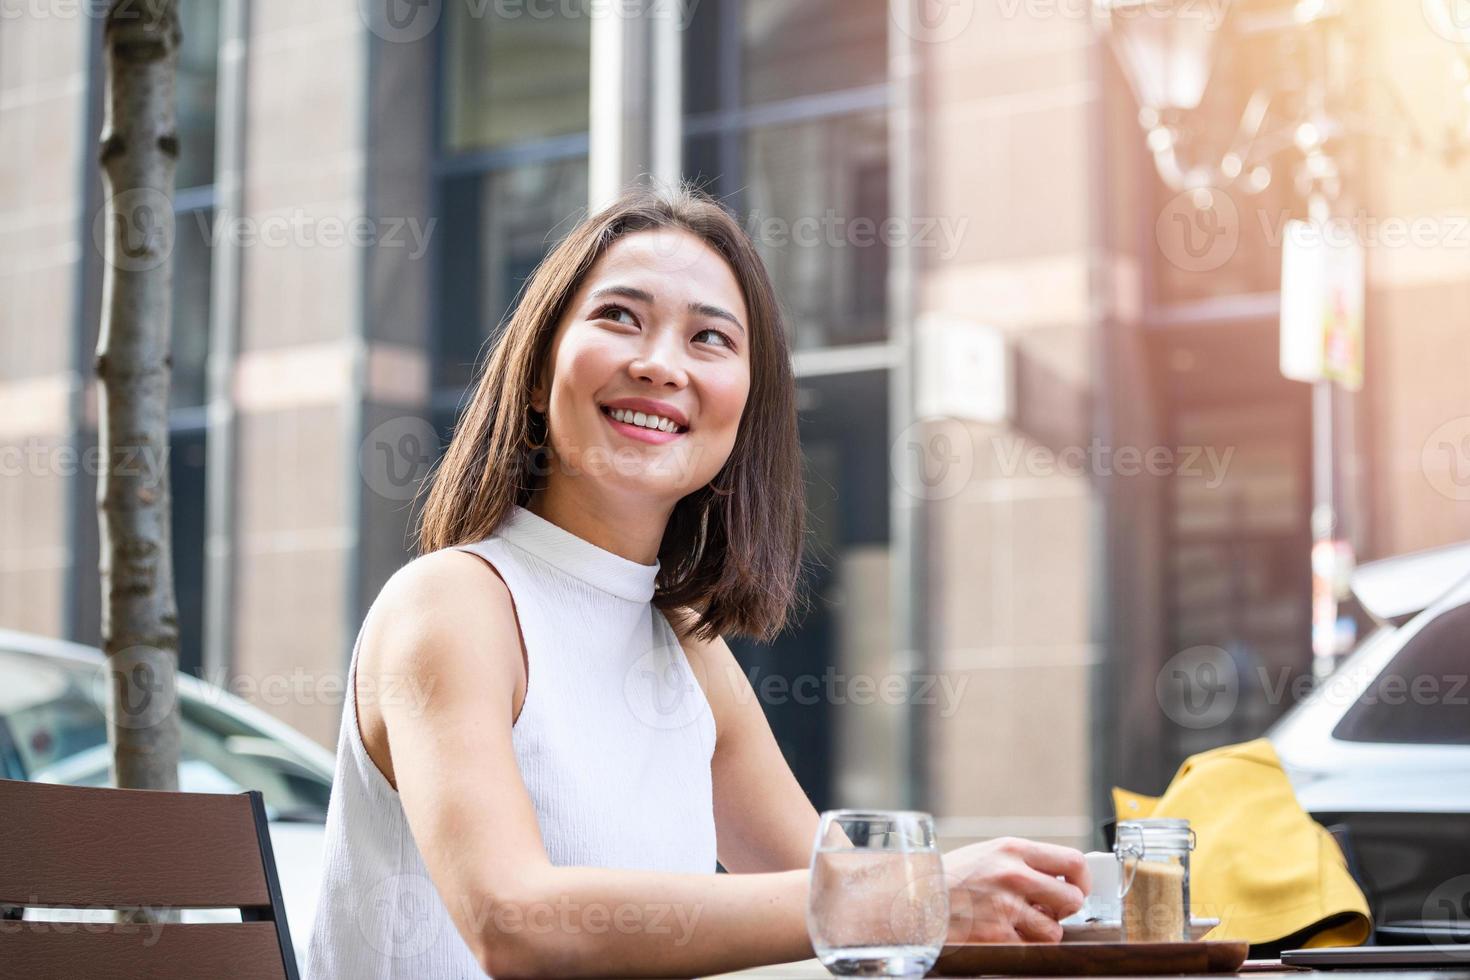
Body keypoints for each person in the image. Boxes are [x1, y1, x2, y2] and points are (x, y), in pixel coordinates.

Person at [305, 183, 1090, 978]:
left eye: (709, 338)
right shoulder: (452, 603)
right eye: (619, 317)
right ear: (538, 377)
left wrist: (1005, 909)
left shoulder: (684, 649)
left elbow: (856, 911)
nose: (659, 364)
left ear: (744, 414)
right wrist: (908, 896)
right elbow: (515, 925)